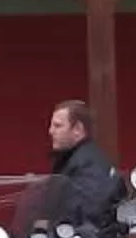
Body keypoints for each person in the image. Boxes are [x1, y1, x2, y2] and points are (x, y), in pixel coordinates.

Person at [40, 99, 124, 231]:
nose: (50, 131)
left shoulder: (90, 165)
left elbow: (86, 215)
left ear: (78, 129)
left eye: (57, 126)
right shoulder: (73, 159)